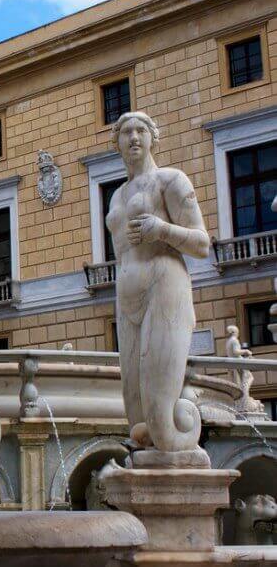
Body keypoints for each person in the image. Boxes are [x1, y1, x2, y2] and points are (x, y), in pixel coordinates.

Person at [106, 112, 210, 454]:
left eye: (140, 131)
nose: (133, 138)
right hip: (127, 297)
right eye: (126, 133)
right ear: (117, 143)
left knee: (162, 417)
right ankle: (146, 476)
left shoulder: (171, 180)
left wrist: (162, 230)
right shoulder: (116, 196)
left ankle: (180, 464)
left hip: (164, 287)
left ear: (153, 138)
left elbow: (201, 243)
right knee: (136, 415)